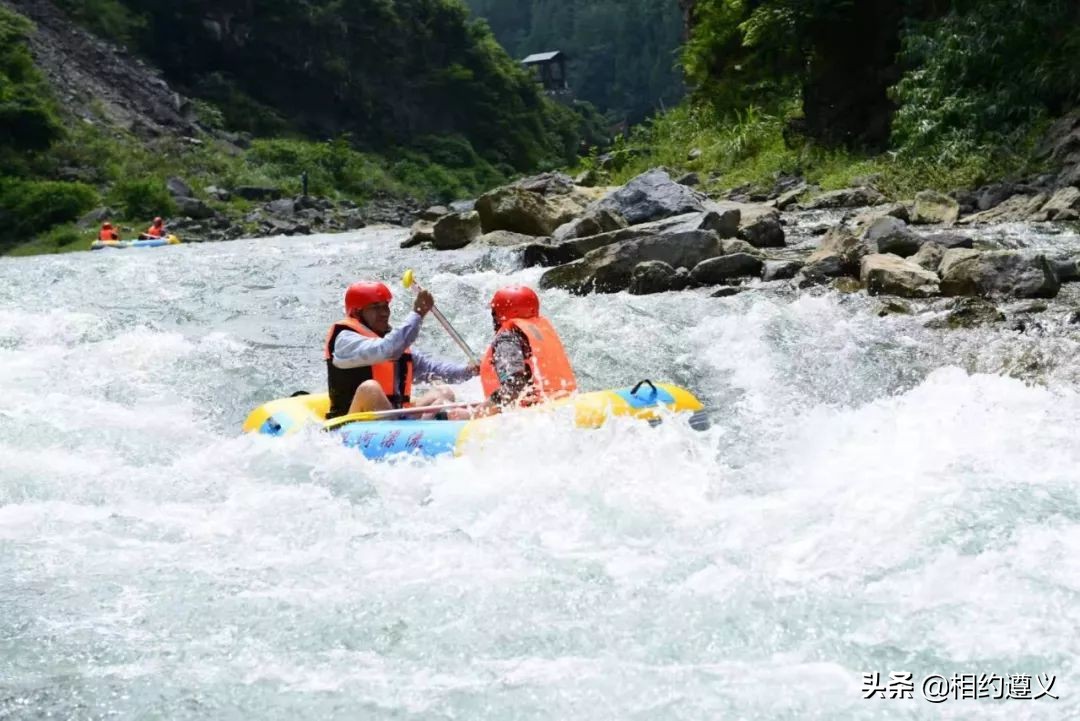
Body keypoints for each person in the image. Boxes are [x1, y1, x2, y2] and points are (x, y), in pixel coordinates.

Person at [324, 281, 479, 420]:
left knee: (444, 392)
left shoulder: (391, 340)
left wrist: (469, 371)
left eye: (385, 306)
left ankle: (424, 428)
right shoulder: (345, 339)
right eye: (376, 308)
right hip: (353, 420)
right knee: (370, 389)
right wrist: (418, 313)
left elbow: (432, 369)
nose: (384, 313)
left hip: (395, 417)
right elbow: (387, 350)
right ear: (357, 312)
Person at [479, 285, 577, 411]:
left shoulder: (506, 339)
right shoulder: (540, 331)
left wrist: (478, 412)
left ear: (499, 315)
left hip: (534, 411)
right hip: (565, 403)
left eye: (494, 313)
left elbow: (514, 386)